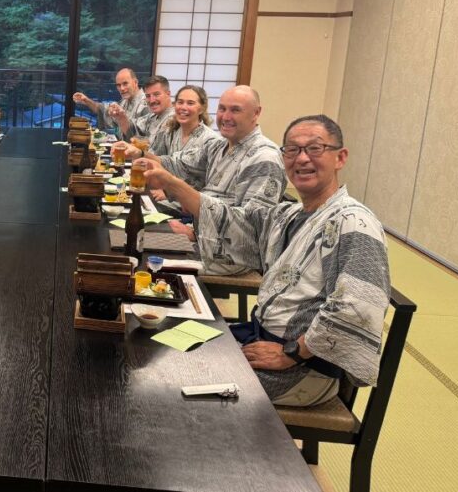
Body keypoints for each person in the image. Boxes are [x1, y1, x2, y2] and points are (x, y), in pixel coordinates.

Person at [143, 115, 390, 407]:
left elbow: (359, 306)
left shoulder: (354, 222)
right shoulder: (290, 215)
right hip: (262, 343)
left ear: (340, 157)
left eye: (315, 148)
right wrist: (171, 182)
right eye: (292, 150)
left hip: (300, 369)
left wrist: (292, 353)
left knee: (172, 383)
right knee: (162, 347)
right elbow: (236, 222)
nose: (302, 159)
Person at [128, 85, 286, 274]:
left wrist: (173, 186)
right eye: (222, 109)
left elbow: (250, 231)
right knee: (133, 240)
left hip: (230, 258)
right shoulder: (218, 146)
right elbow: (178, 163)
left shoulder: (264, 158)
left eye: (235, 110)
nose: (226, 117)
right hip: (202, 237)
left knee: (142, 264)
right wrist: (140, 154)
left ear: (256, 113)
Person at [148, 84, 222, 206]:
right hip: (165, 196)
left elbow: (211, 186)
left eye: (190, 103)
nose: (183, 107)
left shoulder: (211, 140)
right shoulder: (170, 132)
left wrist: (167, 192)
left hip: (191, 205)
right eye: (180, 102)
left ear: (202, 108)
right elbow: (156, 158)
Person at [72, 68, 149, 138]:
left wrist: (122, 119)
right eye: (118, 85)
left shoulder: (147, 104)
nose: (121, 88)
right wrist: (86, 100)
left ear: (135, 82)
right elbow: (103, 110)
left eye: (125, 84)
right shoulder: (124, 101)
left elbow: (142, 138)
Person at [134, 75, 175, 139]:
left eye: (156, 94)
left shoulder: (175, 120)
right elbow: (133, 127)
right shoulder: (152, 116)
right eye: (148, 96)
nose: (152, 100)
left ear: (168, 94)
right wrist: (121, 116)